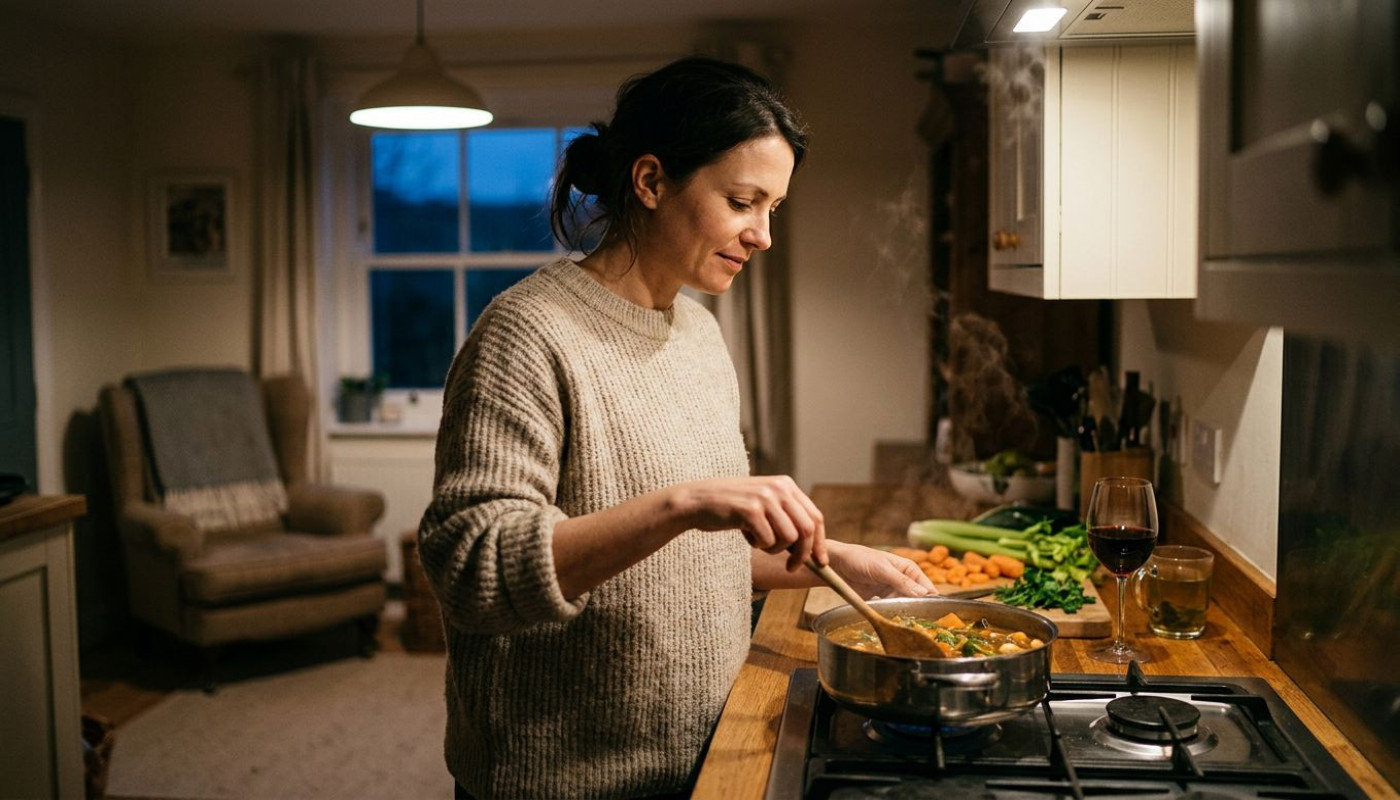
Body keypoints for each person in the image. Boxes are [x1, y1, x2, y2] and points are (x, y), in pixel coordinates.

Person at [417, 55, 934, 800]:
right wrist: (684, 501)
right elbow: (473, 572)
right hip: (566, 781)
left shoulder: (696, 330)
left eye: (772, 210)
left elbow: (694, 566)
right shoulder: (525, 334)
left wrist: (844, 561)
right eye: (742, 202)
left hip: (706, 757)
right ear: (652, 181)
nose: (762, 235)